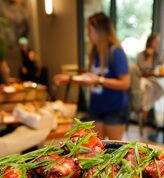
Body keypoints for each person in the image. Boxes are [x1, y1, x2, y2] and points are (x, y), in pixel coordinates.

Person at [54, 12, 129, 140]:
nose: (87, 34)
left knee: (114, 150)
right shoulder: (95, 52)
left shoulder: (116, 52)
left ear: (100, 31)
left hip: (114, 109)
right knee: (95, 149)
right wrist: (68, 79)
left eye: (89, 30)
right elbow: (88, 80)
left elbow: (125, 83)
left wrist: (99, 79)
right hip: (96, 107)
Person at [136, 34, 164, 120]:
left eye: (158, 42)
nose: (157, 44)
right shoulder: (141, 55)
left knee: (159, 90)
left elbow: (158, 68)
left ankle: (145, 109)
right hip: (142, 79)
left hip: (151, 79)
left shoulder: (156, 55)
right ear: (150, 42)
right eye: (156, 42)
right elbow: (143, 70)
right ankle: (144, 112)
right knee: (149, 88)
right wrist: (149, 57)